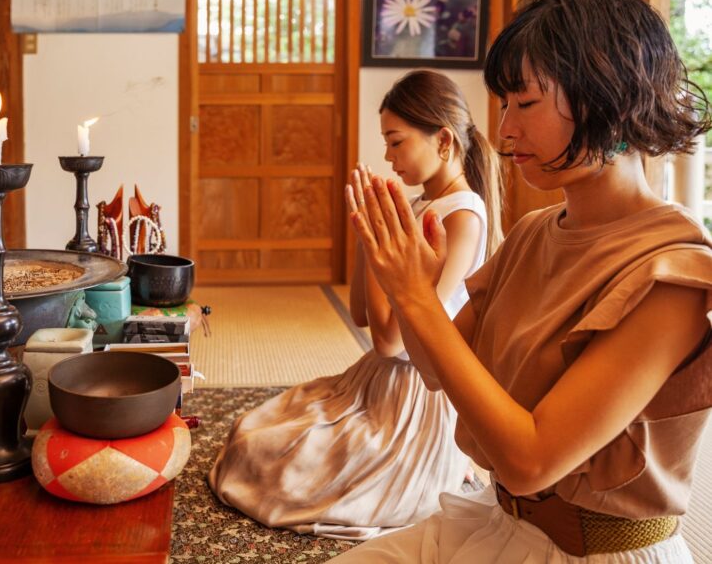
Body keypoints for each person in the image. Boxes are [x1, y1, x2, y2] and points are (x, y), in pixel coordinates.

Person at [335, 0, 712, 562]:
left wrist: (415, 297)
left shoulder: (672, 270)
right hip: (501, 521)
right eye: (503, 105)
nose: (504, 131)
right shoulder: (536, 232)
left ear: (604, 99)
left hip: (596, 553)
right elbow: (435, 370)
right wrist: (410, 288)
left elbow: (531, 460)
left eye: (525, 104)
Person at [208, 70, 504, 540]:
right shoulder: (418, 204)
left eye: (396, 141)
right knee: (253, 434)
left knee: (279, 467)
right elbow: (364, 316)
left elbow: (393, 342)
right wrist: (369, 240)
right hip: (374, 384)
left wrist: (377, 234)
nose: (388, 157)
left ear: (443, 139)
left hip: (413, 399)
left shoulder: (462, 216)